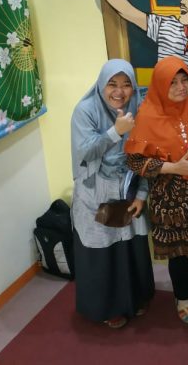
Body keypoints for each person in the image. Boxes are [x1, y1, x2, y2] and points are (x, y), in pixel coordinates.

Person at [124, 57, 188, 325]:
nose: (180, 87)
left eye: (184, 80)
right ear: (161, 85)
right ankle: (182, 298)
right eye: (172, 82)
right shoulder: (146, 116)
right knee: (180, 250)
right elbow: (134, 161)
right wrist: (172, 167)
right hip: (169, 196)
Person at [70, 59, 155, 329]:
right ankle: (108, 308)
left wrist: (142, 193)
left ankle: (135, 298)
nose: (119, 92)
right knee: (104, 251)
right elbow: (84, 152)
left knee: (130, 247)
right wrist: (115, 132)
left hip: (129, 188)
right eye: (112, 84)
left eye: (126, 84)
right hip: (95, 193)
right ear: (101, 85)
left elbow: (147, 153)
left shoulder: (138, 107)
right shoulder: (85, 111)